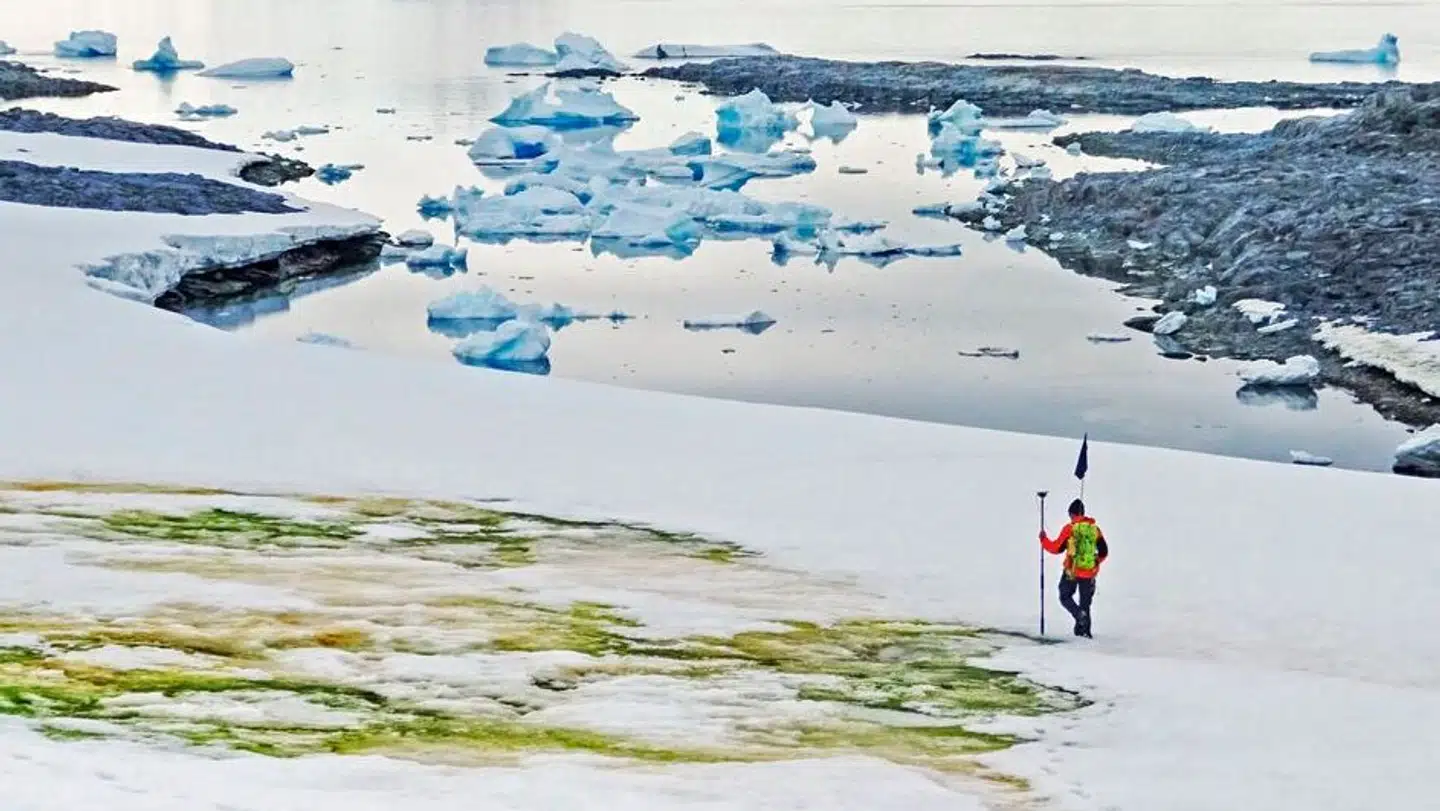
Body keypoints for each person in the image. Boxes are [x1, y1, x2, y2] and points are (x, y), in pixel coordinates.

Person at [1039, 498, 1109, 638]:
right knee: (1085, 603)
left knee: (1065, 596)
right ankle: (1084, 633)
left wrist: (1043, 540)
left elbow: (1056, 548)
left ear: (1071, 514)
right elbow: (1104, 551)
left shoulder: (1070, 529)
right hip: (1089, 573)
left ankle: (1078, 615)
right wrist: (1094, 563)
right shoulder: (1095, 530)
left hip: (1072, 570)